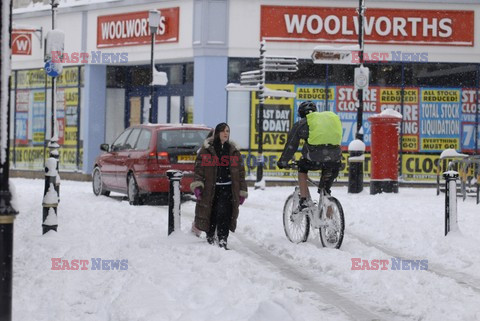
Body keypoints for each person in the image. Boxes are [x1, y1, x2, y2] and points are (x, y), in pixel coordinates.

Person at [190, 123, 248, 249]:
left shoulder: (233, 151)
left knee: (225, 214)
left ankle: (223, 239)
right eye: (223, 131)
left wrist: (242, 190)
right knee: (212, 213)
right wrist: (198, 186)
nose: (226, 133)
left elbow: (240, 173)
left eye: (227, 131)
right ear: (217, 133)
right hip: (212, 188)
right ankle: (210, 236)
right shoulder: (207, 150)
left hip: (228, 188)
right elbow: (199, 170)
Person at [277, 101, 342, 211]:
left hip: (314, 159)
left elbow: (291, 146)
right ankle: (332, 224)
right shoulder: (326, 121)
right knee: (325, 192)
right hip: (335, 159)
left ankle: (304, 200)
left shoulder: (302, 123)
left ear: (301, 114)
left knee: (302, 167)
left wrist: (283, 161)